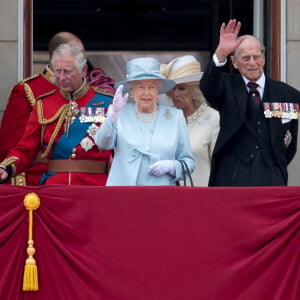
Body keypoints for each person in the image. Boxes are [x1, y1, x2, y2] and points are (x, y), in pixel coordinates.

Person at [200, 19, 300, 186]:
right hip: (232, 173)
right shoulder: (226, 86)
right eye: (245, 58)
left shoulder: (288, 94)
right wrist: (221, 53)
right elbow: (207, 86)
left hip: (272, 174)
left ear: (264, 58)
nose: (252, 63)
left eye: (256, 57)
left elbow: (290, 143)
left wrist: (275, 163)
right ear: (234, 62)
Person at [0, 43, 113, 185]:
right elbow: (26, 148)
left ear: (83, 70)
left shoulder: (107, 103)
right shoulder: (43, 104)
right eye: (57, 71)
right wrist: (7, 168)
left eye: (67, 71)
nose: (61, 77)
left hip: (95, 187)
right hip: (54, 187)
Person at [94, 57, 195, 186]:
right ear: (131, 90)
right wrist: (112, 116)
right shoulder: (119, 113)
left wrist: (173, 166)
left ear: (158, 90)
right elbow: (102, 144)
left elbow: (188, 162)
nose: (146, 93)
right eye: (141, 87)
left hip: (161, 195)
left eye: (151, 87)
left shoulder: (176, 117)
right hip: (123, 194)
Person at [161, 55, 220, 186]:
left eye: (182, 88)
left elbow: (219, 167)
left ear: (194, 90)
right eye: (172, 88)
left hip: (201, 197)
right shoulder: (164, 118)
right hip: (167, 197)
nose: (175, 94)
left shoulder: (213, 118)